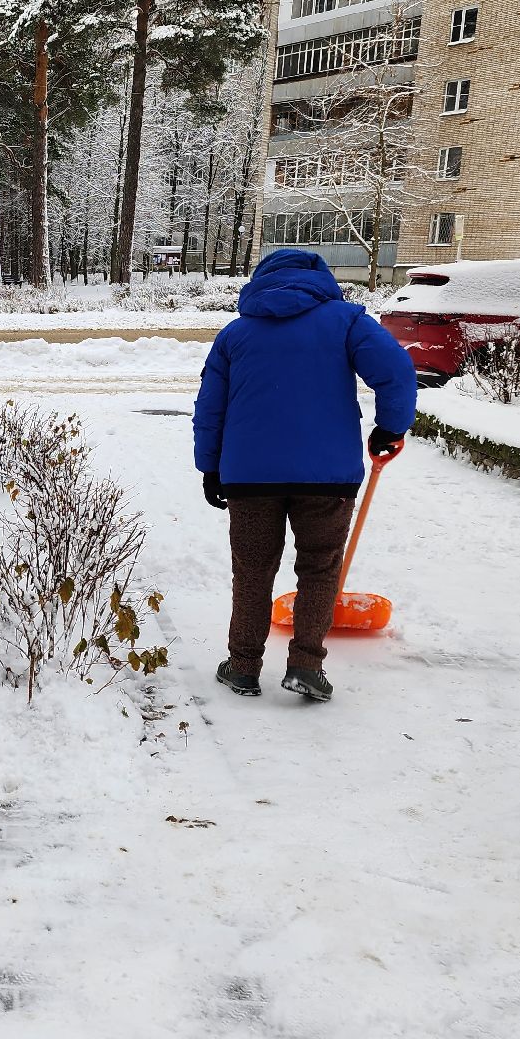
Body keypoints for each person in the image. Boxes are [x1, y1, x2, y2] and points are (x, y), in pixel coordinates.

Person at [192, 249, 417, 702]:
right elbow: (397, 372)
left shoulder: (235, 334)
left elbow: (210, 409)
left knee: (252, 570)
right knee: (319, 568)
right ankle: (306, 667)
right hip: (327, 477)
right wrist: (391, 427)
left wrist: (210, 467)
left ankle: (242, 666)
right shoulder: (348, 322)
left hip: (249, 478)